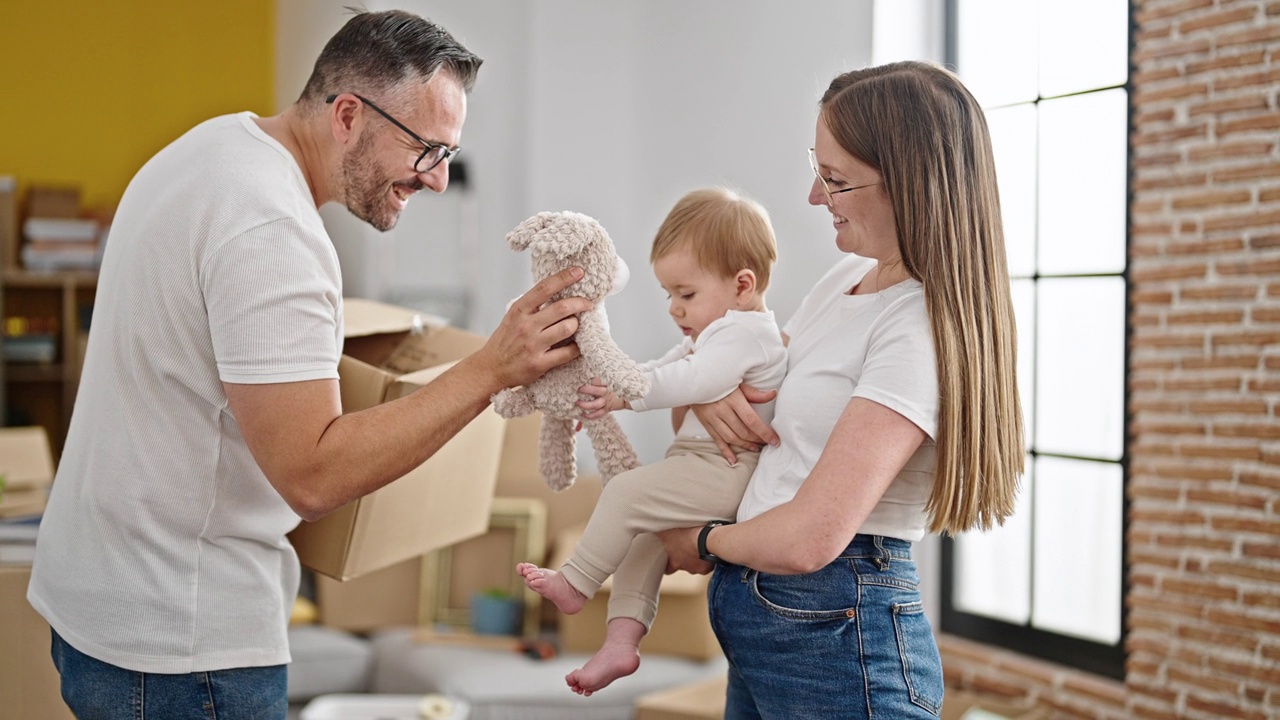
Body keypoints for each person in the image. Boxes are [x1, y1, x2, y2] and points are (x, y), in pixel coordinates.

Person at [27, 11, 590, 719]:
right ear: (348, 115)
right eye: (426, 150)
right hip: (182, 647)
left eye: (447, 154)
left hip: (104, 605)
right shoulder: (272, 229)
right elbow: (313, 475)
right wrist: (489, 370)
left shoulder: (210, 150)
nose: (440, 180)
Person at [657, 61, 1025, 719]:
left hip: (839, 628)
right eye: (817, 168)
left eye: (835, 180)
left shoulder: (917, 330)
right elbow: (747, 400)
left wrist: (705, 540)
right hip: (771, 624)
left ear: (908, 184)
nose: (812, 197)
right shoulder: (845, 281)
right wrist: (709, 388)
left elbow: (810, 538)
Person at [517, 187, 787, 695]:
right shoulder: (709, 334)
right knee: (644, 537)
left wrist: (625, 396)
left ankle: (576, 583)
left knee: (625, 492)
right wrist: (604, 392)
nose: (674, 308)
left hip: (724, 471)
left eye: (686, 294)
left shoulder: (745, 335)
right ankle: (622, 642)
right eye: (668, 295)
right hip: (702, 466)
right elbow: (656, 371)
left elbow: (690, 381)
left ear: (742, 284)